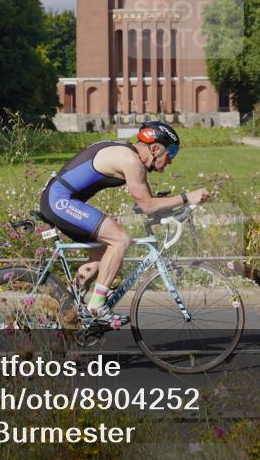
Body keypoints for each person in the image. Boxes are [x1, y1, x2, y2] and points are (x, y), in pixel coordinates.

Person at [38, 121, 209, 327]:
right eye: (170, 152)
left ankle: (67, 308)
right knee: (120, 240)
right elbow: (147, 205)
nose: (171, 160)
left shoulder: (130, 155)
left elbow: (148, 202)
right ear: (155, 149)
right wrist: (187, 197)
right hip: (59, 201)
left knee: (103, 256)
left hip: (59, 200)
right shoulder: (131, 161)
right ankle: (97, 307)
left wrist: (176, 208)